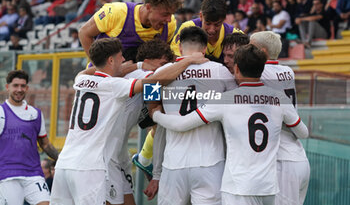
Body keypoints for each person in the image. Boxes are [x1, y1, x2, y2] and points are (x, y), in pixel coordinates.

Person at [50, 37, 207, 205]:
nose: (124, 60)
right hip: (96, 163)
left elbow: (88, 72)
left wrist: (137, 65)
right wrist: (188, 60)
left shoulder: (81, 80)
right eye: (163, 64)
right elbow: (155, 81)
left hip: (66, 162)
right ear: (111, 60)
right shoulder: (118, 84)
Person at [151, 44, 309, 205]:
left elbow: (180, 124)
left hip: (234, 185)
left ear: (237, 69)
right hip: (267, 186)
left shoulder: (225, 99)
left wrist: (155, 115)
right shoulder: (279, 99)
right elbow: (303, 133)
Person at [135, 0, 243, 176]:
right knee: (160, 109)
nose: (211, 29)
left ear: (224, 21)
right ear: (200, 16)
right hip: (190, 80)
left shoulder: (236, 36)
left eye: (217, 25)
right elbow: (175, 65)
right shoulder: (188, 30)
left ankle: (154, 168)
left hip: (215, 83)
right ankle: (147, 160)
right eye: (208, 23)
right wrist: (153, 104)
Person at [144, 26, 237, 204]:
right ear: (204, 49)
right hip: (210, 162)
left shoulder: (160, 75)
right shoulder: (220, 71)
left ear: (179, 48)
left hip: (173, 163)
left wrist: (157, 173)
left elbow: (152, 106)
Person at [105, 39, 174, 205]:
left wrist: (156, 174)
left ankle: (142, 159)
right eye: (163, 64)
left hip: (119, 154)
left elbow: (158, 125)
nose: (166, 70)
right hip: (104, 156)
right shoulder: (146, 77)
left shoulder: (147, 81)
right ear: (148, 62)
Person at [250, 31, 310, 205]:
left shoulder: (262, 74)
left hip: (283, 161)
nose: (247, 50)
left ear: (262, 51)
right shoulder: (288, 71)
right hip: (296, 154)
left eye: (251, 47)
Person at [79, 0, 182, 62]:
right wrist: (99, 66)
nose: (169, 19)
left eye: (171, 14)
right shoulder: (116, 13)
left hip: (140, 82)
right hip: (105, 80)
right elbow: (84, 33)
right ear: (148, 7)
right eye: (165, 14)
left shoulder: (170, 24)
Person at [0, 70, 59, 205]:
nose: (19, 90)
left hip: (34, 174)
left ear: (27, 88)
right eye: (15, 86)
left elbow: (45, 144)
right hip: (8, 176)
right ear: (7, 87)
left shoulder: (35, 113)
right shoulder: (1, 112)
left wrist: (62, 160)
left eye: (22, 86)